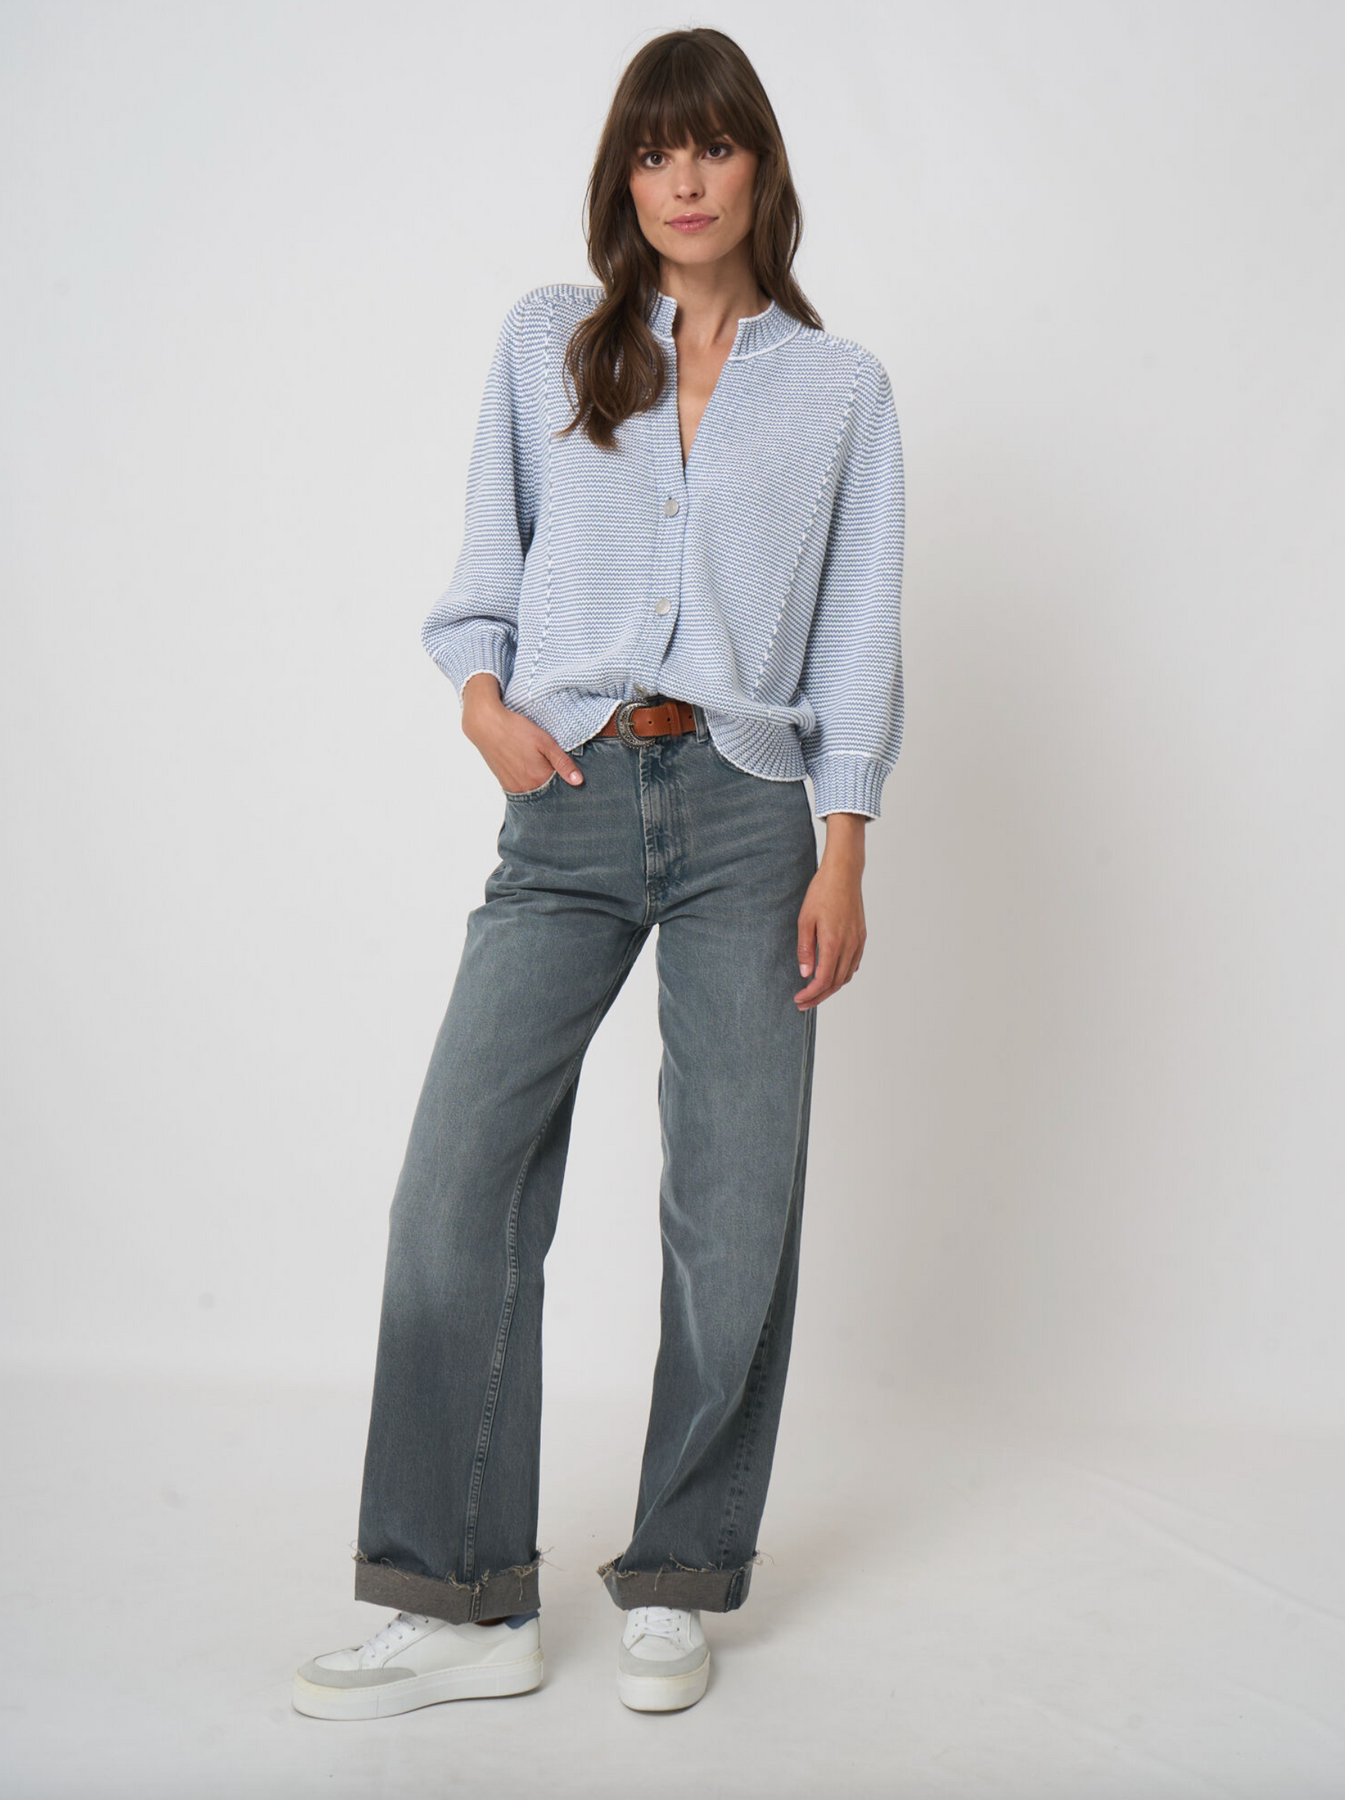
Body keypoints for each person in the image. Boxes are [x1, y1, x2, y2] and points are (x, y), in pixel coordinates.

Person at [292, 23, 904, 1720]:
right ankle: (460, 1603)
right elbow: (484, 568)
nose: (683, 180)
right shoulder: (545, 341)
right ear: (621, 178)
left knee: (734, 1204)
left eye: (712, 145)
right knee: (458, 1181)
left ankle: (681, 1572)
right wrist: (482, 706)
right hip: (563, 800)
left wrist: (845, 847)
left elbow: (857, 635)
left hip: (749, 812)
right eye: (652, 150)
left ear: (761, 165)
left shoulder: (841, 391)